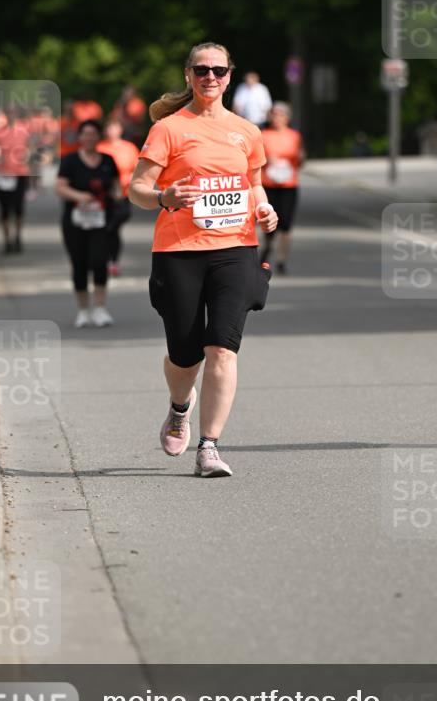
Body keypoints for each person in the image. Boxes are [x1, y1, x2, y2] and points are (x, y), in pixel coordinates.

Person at [129, 41, 278, 477]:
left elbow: (254, 183)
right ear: (188, 75)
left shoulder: (246, 131)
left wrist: (264, 208)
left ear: (230, 77)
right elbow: (136, 189)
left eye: (218, 70)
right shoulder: (169, 129)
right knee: (185, 354)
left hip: (236, 248)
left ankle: (209, 446)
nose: (210, 77)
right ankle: (180, 407)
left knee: (223, 349)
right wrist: (164, 196)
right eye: (201, 70)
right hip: (179, 252)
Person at [55, 119, 120, 328]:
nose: (89, 138)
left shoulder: (108, 160)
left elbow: (116, 187)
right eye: (85, 134)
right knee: (79, 263)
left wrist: (117, 197)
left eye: (93, 134)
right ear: (80, 137)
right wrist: (80, 196)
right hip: (76, 221)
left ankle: (100, 308)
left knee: (100, 262)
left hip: (101, 221)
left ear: (99, 136)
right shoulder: (70, 160)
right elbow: (60, 187)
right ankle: (83, 310)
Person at [260, 101, 305, 273]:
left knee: (286, 224)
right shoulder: (263, 135)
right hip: (268, 184)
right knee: (269, 224)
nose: (277, 118)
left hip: (288, 185)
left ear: (287, 118)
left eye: (281, 115)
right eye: (274, 114)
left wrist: (300, 157)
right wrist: (268, 160)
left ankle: (281, 260)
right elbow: (255, 159)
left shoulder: (294, 136)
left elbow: (300, 160)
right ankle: (267, 250)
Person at [97, 118, 139, 275]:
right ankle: (109, 261)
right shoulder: (100, 147)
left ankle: (111, 260)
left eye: (114, 128)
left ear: (120, 130)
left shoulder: (129, 148)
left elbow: (138, 170)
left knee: (113, 226)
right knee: (107, 229)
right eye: (108, 128)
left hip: (123, 194)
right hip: (104, 195)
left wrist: (128, 180)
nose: (111, 131)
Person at [0, 107, 31, 254]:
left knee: (19, 209)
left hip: (20, 174)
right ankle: (7, 241)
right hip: (2, 174)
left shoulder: (24, 130)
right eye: (8, 112)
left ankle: (18, 238)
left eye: (13, 112)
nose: (11, 115)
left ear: (16, 114)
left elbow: (30, 149)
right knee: (4, 210)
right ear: (5, 114)